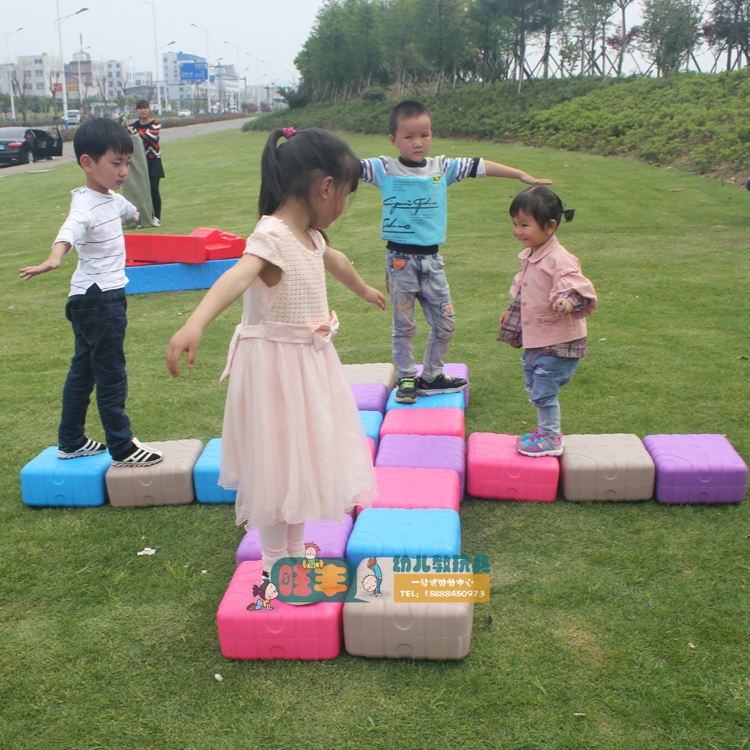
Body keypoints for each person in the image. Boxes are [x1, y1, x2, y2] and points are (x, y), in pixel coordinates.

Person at [166, 127, 386, 576]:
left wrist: (364, 290)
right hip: (275, 369)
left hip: (307, 365)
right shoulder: (272, 234)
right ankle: (272, 567)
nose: (342, 207)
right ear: (326, 187)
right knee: (277, 465)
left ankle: (293, 557)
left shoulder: (310, 236)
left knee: (303, 461)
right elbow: (238, 275)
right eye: (344, 194)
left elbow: (337, 260)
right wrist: (195, 323)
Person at [360, 100, 553, 403]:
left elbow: (480, 165)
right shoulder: (384, 168)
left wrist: (520, 175)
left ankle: (432, 375)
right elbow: (343, 165)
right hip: (400, 263)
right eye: (409, 136)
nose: (418, 142)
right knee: (404, 325)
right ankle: (407, 377)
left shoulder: (442, 167)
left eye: (424, 135)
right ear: (393, 140)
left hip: (432, 262)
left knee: (446, 321)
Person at [19, 117, 164, 467]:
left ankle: (71, 441)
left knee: (83, 371)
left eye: (127, 163)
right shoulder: (84, 204)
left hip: (88, 299)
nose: (124, 171)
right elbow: (69, 230)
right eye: (116, 163)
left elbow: (128, 212)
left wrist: (131, 217)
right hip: (101, 301)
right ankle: (123, 447)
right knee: (111, 374)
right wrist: (54, 258)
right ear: (87, 162)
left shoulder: (110, 199)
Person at [498, 186, 597, 457]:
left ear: (550, 226)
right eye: (515, 223)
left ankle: (551, 437)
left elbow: (576, 287)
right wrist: (512, 310)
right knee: (534, 384)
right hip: (540, 338)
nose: (517, 230)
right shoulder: (533, 253)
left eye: (524, 224)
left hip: (559, 341)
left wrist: (568, 300)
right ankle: (545, 430)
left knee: (543, 390)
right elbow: (526, 290)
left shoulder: (559, 258)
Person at [128, 99, 164, 227]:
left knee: (153, 189)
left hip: (153, 160)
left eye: (145, 108)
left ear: (149, 109)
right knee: (141, 190)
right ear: (136, 110)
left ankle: (156, 217)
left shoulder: (155, 123)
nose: (143, 111)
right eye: (140, 108)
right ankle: (143, 218)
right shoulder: (133, 125)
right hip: (138, 162)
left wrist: (134, 133)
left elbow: (151, 136)